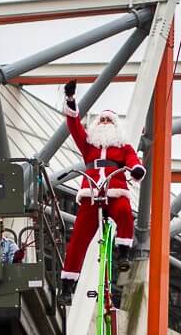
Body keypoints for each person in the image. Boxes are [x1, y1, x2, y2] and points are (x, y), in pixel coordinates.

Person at [60, 81, 145, 286]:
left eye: (109, 120)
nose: (105, 122)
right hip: (91, 194)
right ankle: (67, 284)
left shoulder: (124, 147)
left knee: (125, 212)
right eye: (102, 119)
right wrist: (70, 99)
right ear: (96, 124)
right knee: (78, 238)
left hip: (115, 192)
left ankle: (123, 253)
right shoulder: (88, 145)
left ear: (116, 126)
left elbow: (134, 161)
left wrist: (136, 169)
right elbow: (74, 126)